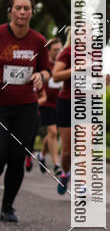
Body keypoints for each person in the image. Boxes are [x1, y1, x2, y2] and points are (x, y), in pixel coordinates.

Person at [0, 0, 51, 222]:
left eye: (26, 8)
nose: (22, 12)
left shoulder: (39, 41)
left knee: (17, 158)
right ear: (10, 10)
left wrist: (42, 75)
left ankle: (7, 207)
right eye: (18, 8)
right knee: (0, 155)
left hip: (25, 107)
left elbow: (48, 70)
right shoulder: (0, 34)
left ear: (32, 12)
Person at [36, 37, 63, 175]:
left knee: (51, 133)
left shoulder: (62, 64)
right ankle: (56, 164)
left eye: (60, 49)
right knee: (53, 132)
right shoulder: (45, 64)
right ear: (49, 50)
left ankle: (41, 155)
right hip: (45, 102)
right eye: (55, 50)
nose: (58, 52)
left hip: (58, 103)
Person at [52, 30, 73, 194]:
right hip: (67, 103)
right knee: (67, 152)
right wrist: (76, 69)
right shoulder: (68, 52)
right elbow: (56, 76)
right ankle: (66, 173)